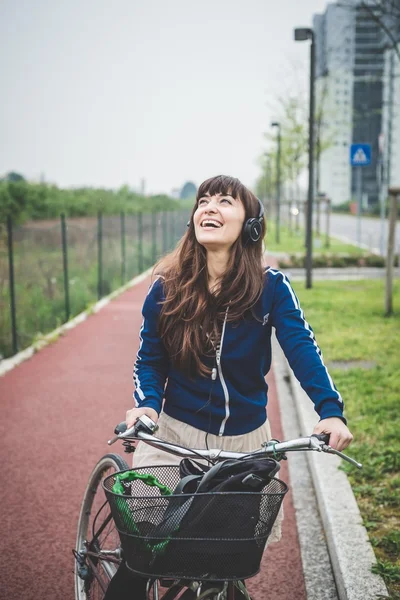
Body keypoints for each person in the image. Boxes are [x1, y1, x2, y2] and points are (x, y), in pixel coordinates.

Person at [105, 174, 352, 599]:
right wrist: (146, 406)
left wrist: (329, 410)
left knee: (223, 558)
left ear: (250, 225)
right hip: (173, 436)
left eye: (224, 201)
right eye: (203, 201)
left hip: (245, 443)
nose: (209, 207)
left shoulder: (271, 287)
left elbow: (301, 349)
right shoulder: (166, 289)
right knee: (147, 553)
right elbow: (150, 359)